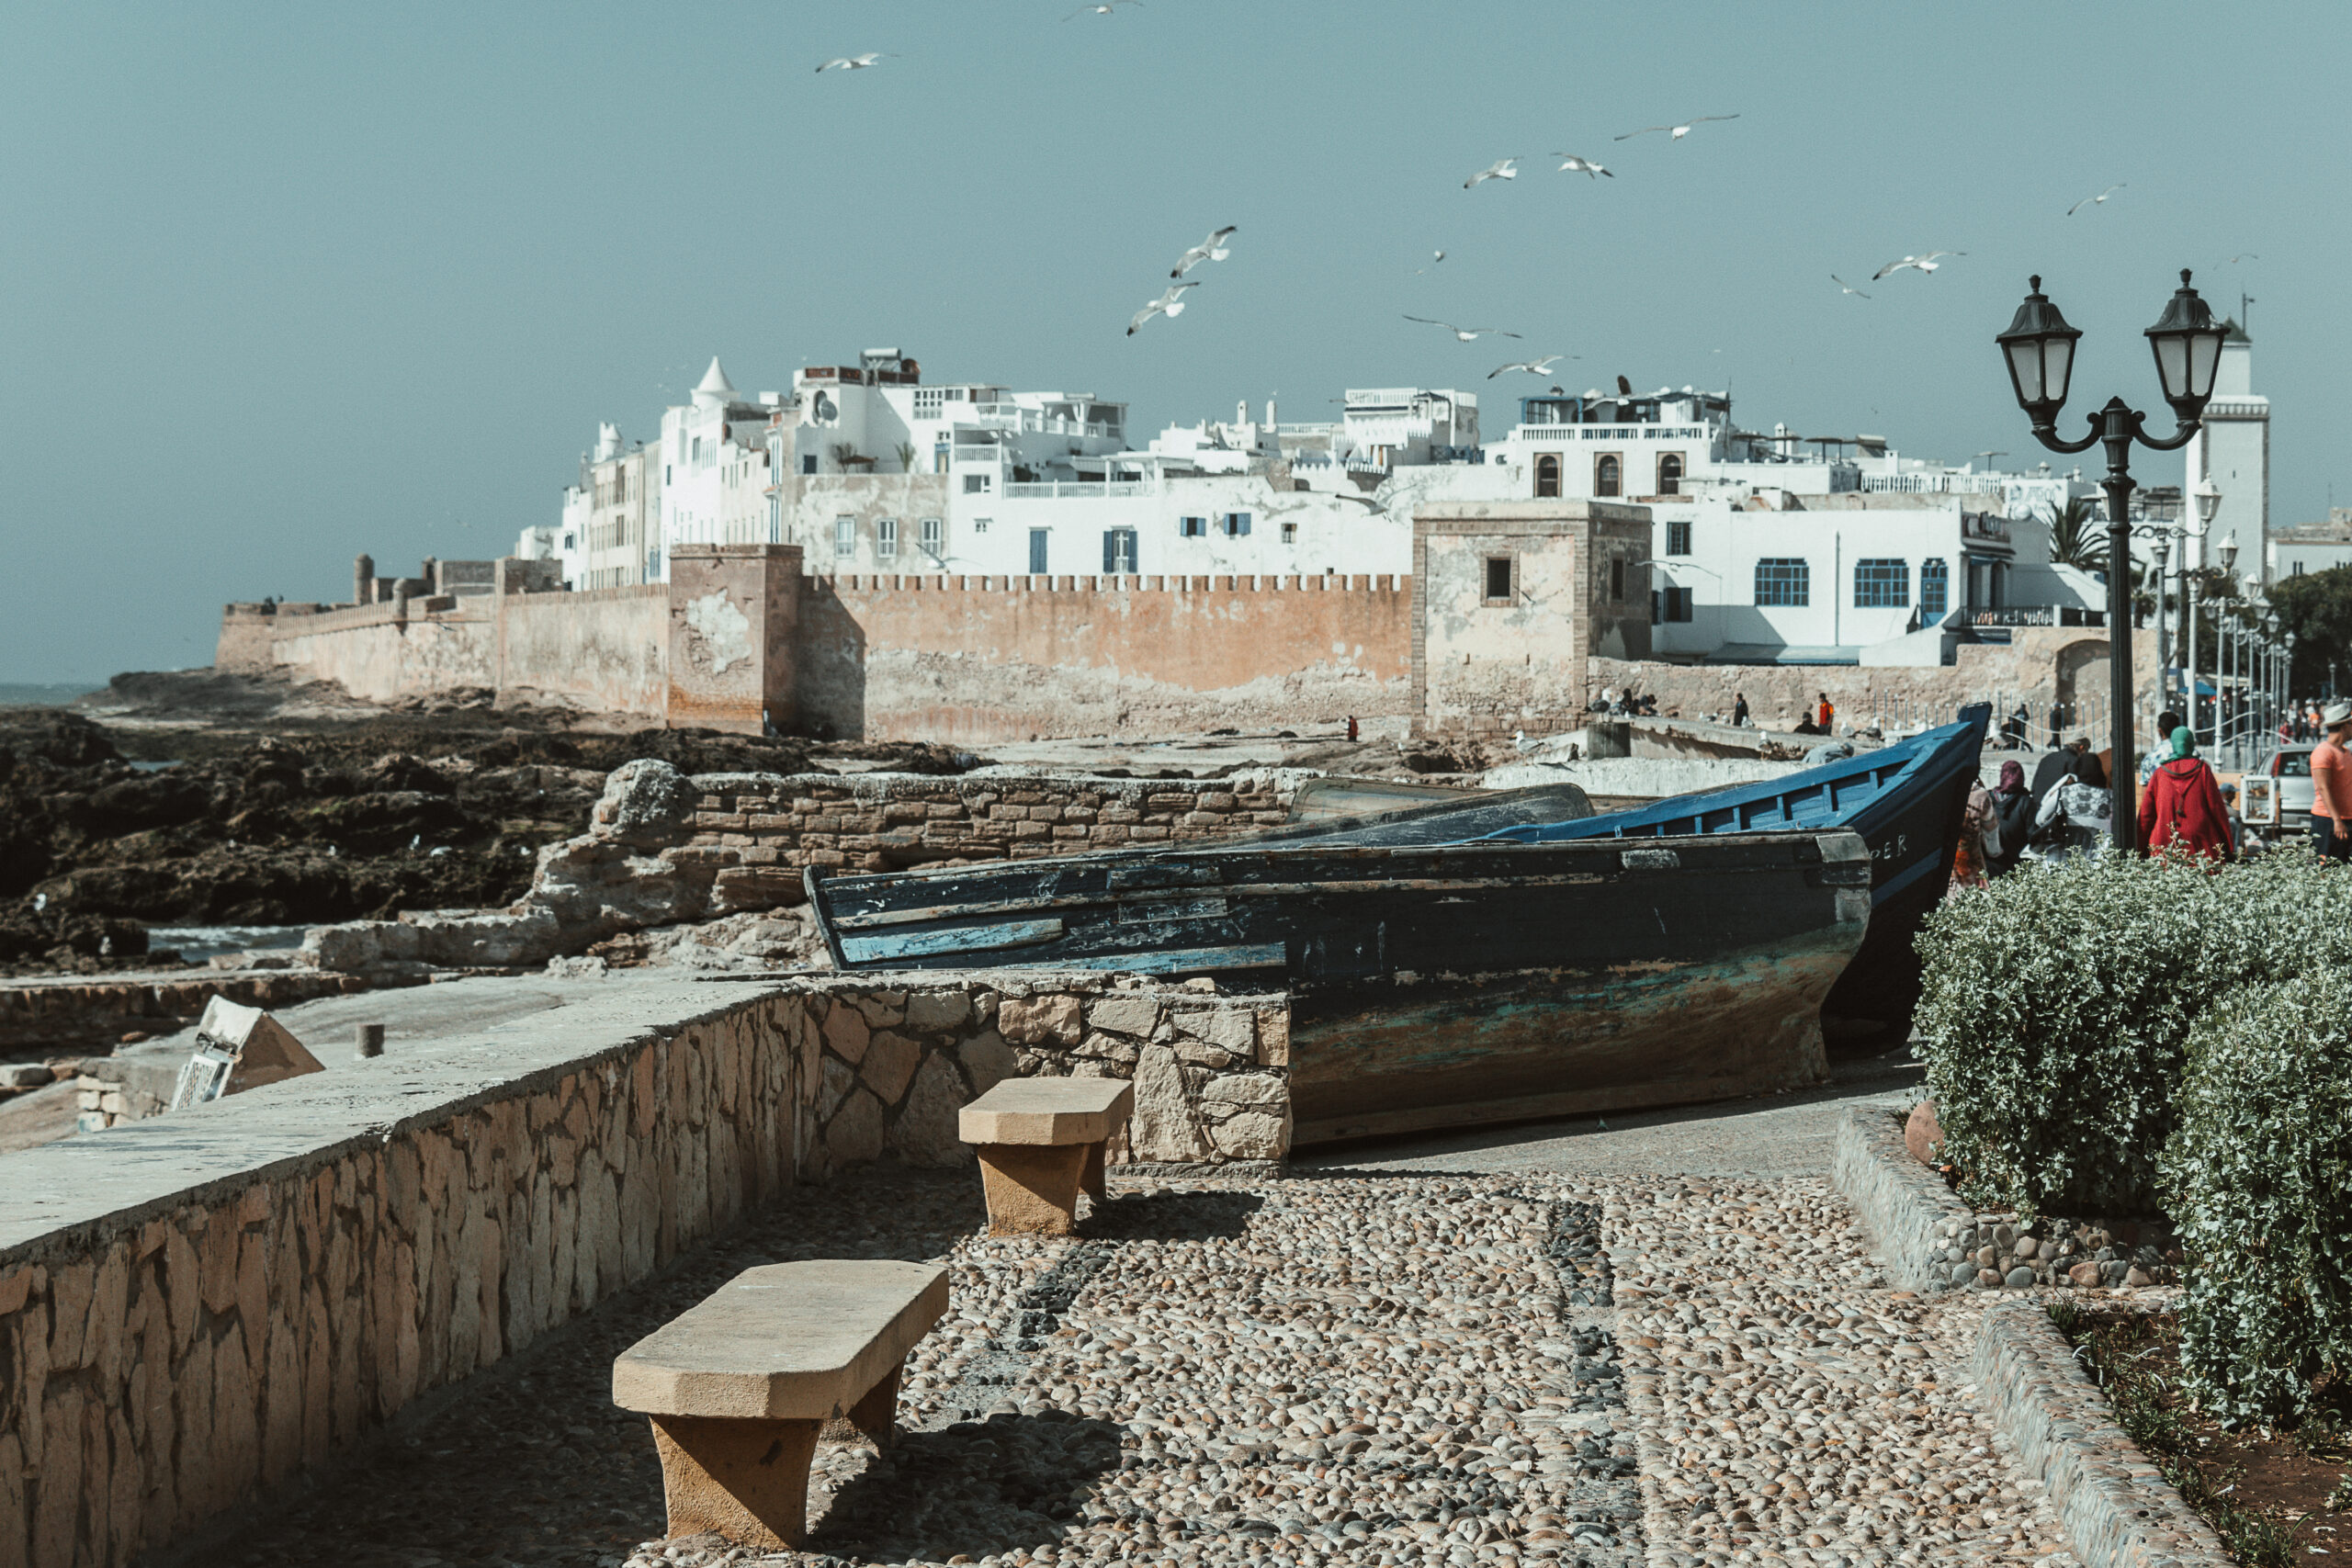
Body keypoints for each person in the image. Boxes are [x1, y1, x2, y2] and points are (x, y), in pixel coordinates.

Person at [2138, 727, 2235, 863]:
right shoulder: (2203, 770)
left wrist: (2140, 847)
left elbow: (2146, 815)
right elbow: (2216, 809)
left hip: (2164, 841)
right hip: (2200, 843)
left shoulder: (2160, 774)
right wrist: (2228, 847)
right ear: (2190, 744)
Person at [2029, 750, 2116, 862]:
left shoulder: (2064, 792)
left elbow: (2040, 819)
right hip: (2097, 861)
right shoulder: (2109, 796)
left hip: (2064, 860)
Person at [2312, 701, 2352, 863]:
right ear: (2345, 726)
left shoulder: (2346, 752)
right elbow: (2324, 788)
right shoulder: (2323, 752)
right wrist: (2337, 820)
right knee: (2327, 868)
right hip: (2329, 821)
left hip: (2347, 819)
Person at [1989, 759, 2034, 876]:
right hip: (2015, 864)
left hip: (1989, 863)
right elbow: (2033, 835)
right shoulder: (2026, 802)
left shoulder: (1988, 798)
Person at [1951, 777, 1996, 891]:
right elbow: (1991, 828)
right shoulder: (1980, 795)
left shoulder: (1940, 788)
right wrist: (1994, 851)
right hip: (1972, 865)